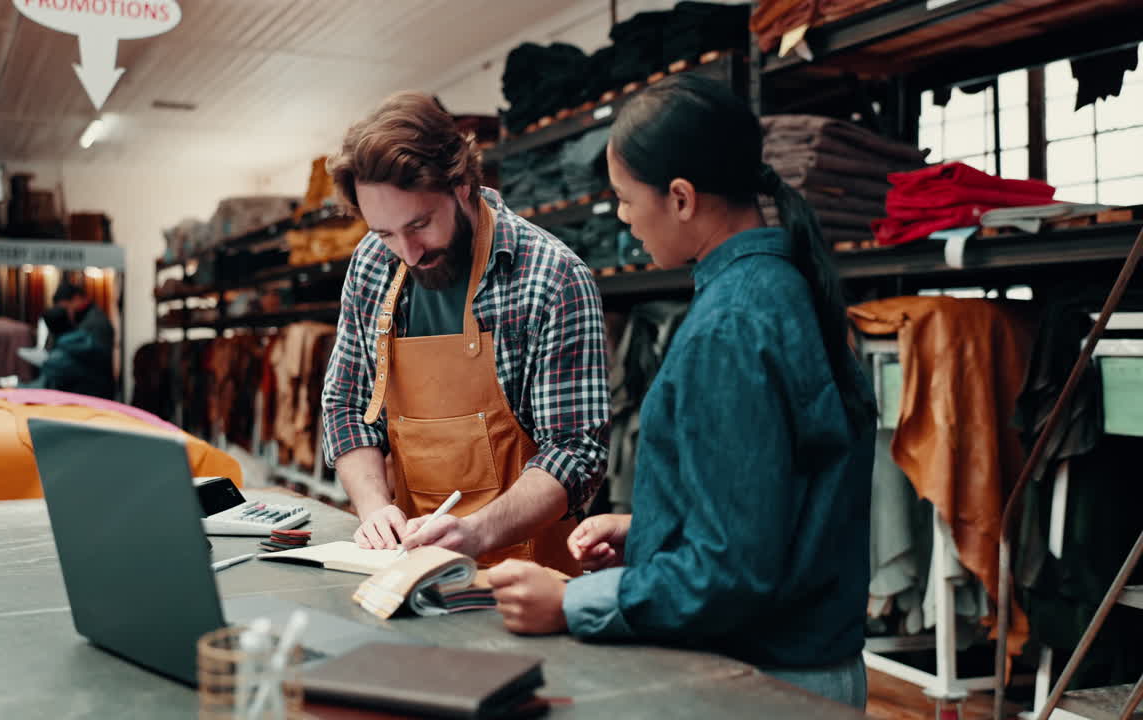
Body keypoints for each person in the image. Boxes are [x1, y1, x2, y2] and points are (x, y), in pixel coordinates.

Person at [486, 73, 878, 710]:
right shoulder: (781, 289)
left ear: (681, 197)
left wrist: (570, 602)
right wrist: (653, 532)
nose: (622, 216)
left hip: (765, 685)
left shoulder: (729, 327)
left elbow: (731, 574)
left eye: (623, 197)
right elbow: (778, 506)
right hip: (808, 670)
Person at [320, 92, 611, 574]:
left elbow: (576, 450)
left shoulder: (553, 278)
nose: (407, 253)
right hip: (410, 566)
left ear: (461, 185)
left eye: (419, 224)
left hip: (530, 573)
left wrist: (475, 533)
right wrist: (375, 510)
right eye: (386, 233)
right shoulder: (373, 264)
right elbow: (347, 406)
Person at [23, 282, 115, 399]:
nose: (68, 313)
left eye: (66, 308)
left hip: (92, 393)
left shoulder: (95, 323)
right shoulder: (89, 318)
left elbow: (97, 361)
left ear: (76, 299)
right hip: (90, 392)